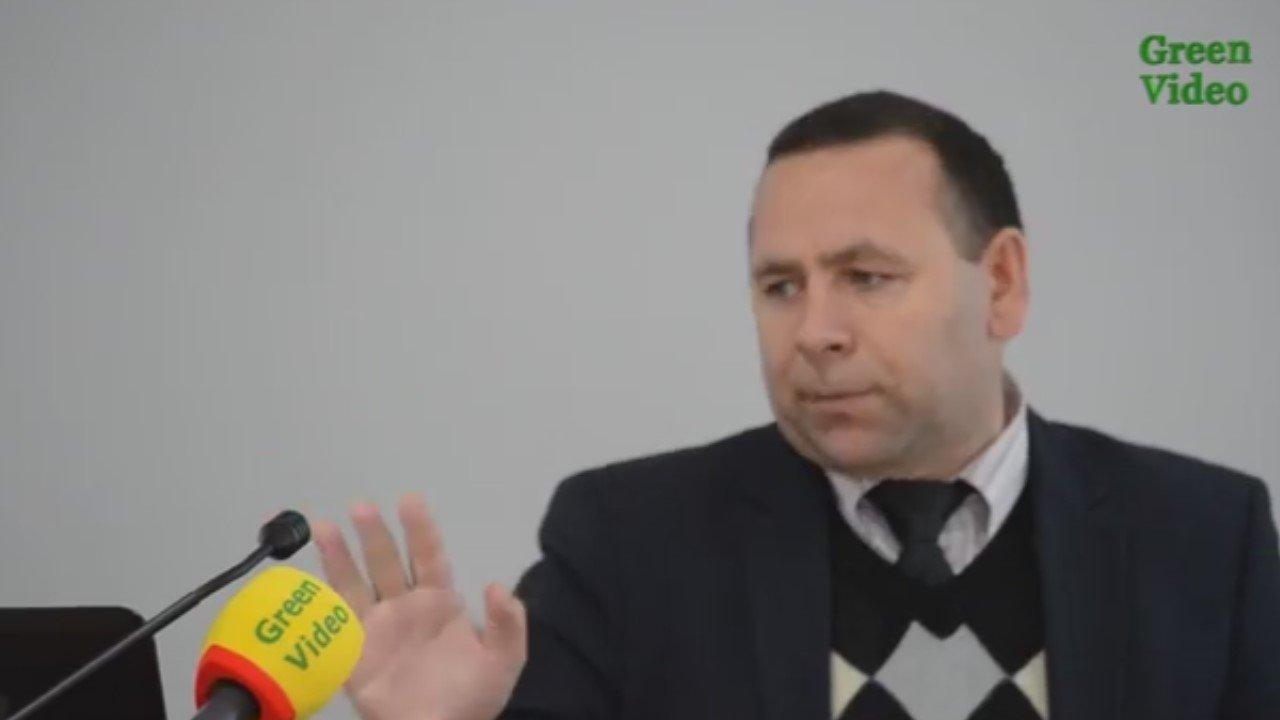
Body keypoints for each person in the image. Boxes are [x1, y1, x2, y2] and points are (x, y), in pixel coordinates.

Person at [309, 90, 1280, 720]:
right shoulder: (627, 543)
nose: (814, 331)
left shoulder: (1205, 535)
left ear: (1002, 284)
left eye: (865, 277)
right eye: (780, 286)